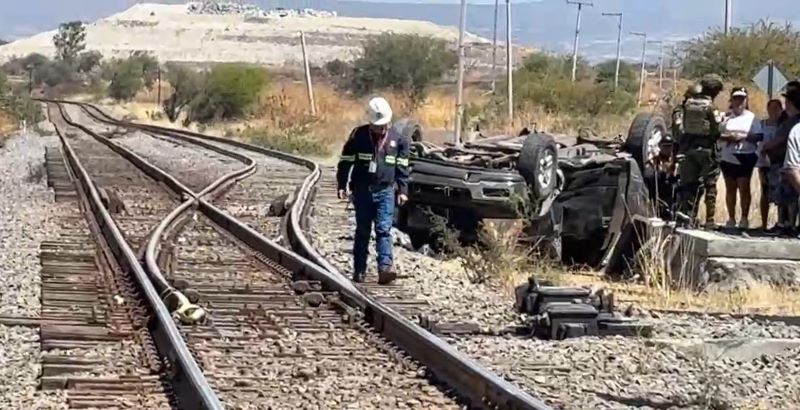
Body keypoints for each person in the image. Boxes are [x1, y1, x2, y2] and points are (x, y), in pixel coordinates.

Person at [336, 97, 410, 284]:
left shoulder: (398, 140)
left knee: (384, 230)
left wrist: (402, 190)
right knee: (362, 231)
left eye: (384, 125)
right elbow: (345, 162)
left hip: (385, 191)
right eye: (378, 126)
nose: (382, 129)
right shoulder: (358, 136)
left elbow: (402, 167)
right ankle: (359, 270)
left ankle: (385, 268)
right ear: (370, 122)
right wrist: (341, 184)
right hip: (362, 191)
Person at [674, 75, 724, 228]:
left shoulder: (683, 107)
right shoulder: (710, 106)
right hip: (707, 149)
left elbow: (677, 128)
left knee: (688, 184)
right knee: (710, 184)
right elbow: (717, 127)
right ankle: (709, 220)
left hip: (688, 149)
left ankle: (688, 217)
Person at [717, 87, 762, 229]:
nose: (739, 101)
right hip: (728, 155)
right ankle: (731, 218)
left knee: (744, 186)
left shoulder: (752, 117)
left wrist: (743, 137)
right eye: (736, 98)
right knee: (730, 187)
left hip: (746, 155)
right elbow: (717, 134)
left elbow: (759, 136)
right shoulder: (726, 117)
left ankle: (744, 218)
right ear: (732, 100)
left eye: (742, 98)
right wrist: (729, 137)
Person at [763, 86, 800, 235]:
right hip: (784, 163)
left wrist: (766, 147)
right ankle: (786, 223)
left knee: (787, 196)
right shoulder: (788, 120)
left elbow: (780, 139)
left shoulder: (793, 123)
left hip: (786, 164)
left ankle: (788, 224)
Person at [755, 99, 783, 230]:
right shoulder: (762, 124)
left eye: (777, 108)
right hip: (764, 163)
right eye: (771, 108)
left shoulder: (783, 126)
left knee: (779, 192)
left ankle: (781, 221)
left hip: (778, 162)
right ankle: (764, 223)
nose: (774, 111)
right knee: (764, 192)